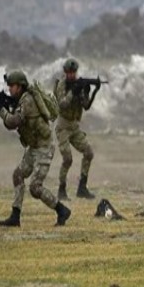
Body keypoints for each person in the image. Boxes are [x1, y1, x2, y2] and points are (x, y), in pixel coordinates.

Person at [0, 70, 71, 227]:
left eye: (12, 86)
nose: (10, 89)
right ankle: (15, 217)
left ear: (20, 86)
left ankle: (62, 210)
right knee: (18, 175)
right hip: (34, 147)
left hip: (44, 147)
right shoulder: (22, 100)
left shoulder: (27, 101)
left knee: (35, 187)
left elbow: (13, 122)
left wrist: (2, 112)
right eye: (8, 86)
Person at [53, 58, 99, 200]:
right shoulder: (61, 85)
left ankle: (82, 188)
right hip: (63, 127)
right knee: (67, 159)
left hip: (74, 126)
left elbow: (86, 106)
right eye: (69, 72)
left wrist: (91, 92)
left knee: (89, 153)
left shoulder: (77, 84)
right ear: (65, 72)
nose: (72, 75)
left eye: (74, 72)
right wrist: (74, 91)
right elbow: (62, 104)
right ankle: (61, 190)